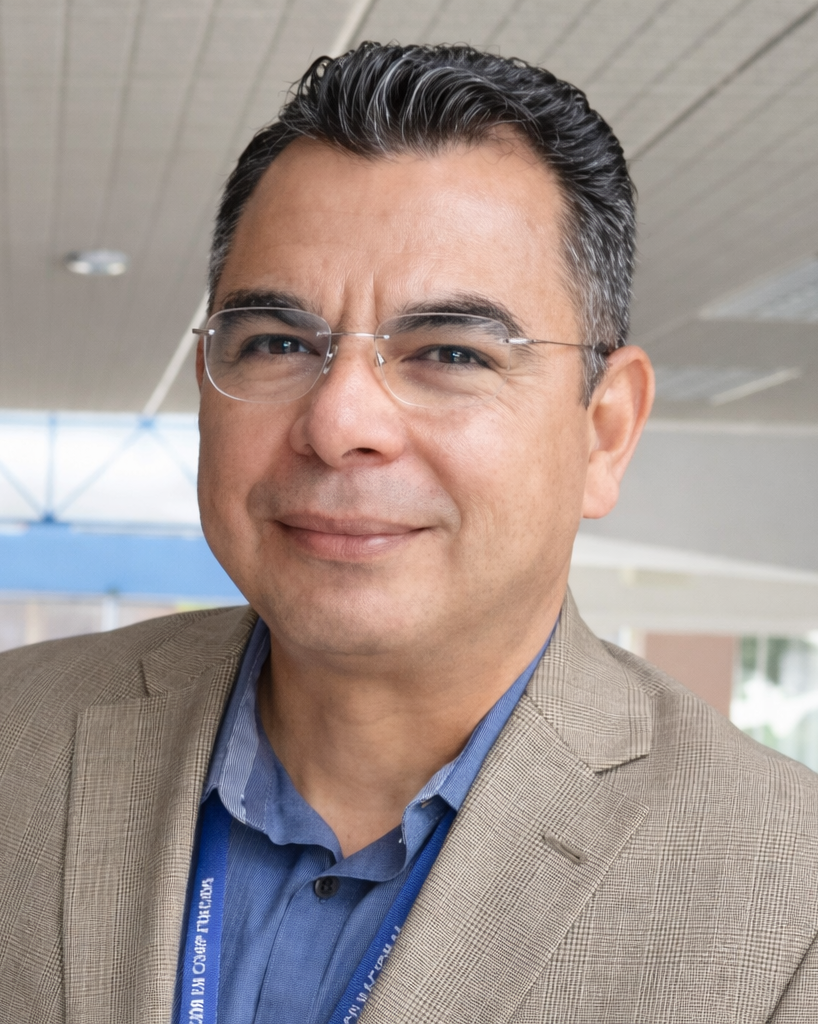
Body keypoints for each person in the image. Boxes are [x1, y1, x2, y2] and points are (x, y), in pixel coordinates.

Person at [1, 42, 816, 1024]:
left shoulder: (787, 905)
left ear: (603, 431)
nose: (339, 423)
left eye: (450, 353)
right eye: (277, 342)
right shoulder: (18, 736)